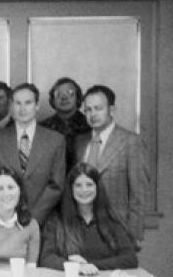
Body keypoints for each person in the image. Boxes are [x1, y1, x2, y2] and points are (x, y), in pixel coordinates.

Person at [74, 85, 149, 242]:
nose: (92, 114)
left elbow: (139, 195)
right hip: (82, 231)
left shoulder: (131, 142)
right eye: (87, 110)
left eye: (98, 108)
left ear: (112, 110)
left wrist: (134, 237)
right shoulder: (80, 143)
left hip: (118, 232)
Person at [0, 83, 65, 225]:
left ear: (37, 105)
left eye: (28, 103)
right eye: (17, 103)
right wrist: (10, 216)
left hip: (43, 220)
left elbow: (56, 185)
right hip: (5, 221)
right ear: (10, 105)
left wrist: (34, 217)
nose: (22, 109)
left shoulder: (56, 140)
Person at [39, 163, 138, 274]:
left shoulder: (112, 219)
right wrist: (75, 267)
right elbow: (46, 258)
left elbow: (130, 259)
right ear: (71, 189)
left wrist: (90, 265)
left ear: (97, 187)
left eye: (89, 184)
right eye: (78, 185)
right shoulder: (56, 220)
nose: (84, 190)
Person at [39, 77, 91, 170]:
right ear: (53, 99)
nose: (64, 98)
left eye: (70, 93)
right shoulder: (42, 128)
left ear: (78, 97)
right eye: (58, 94)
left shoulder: (90, 125)